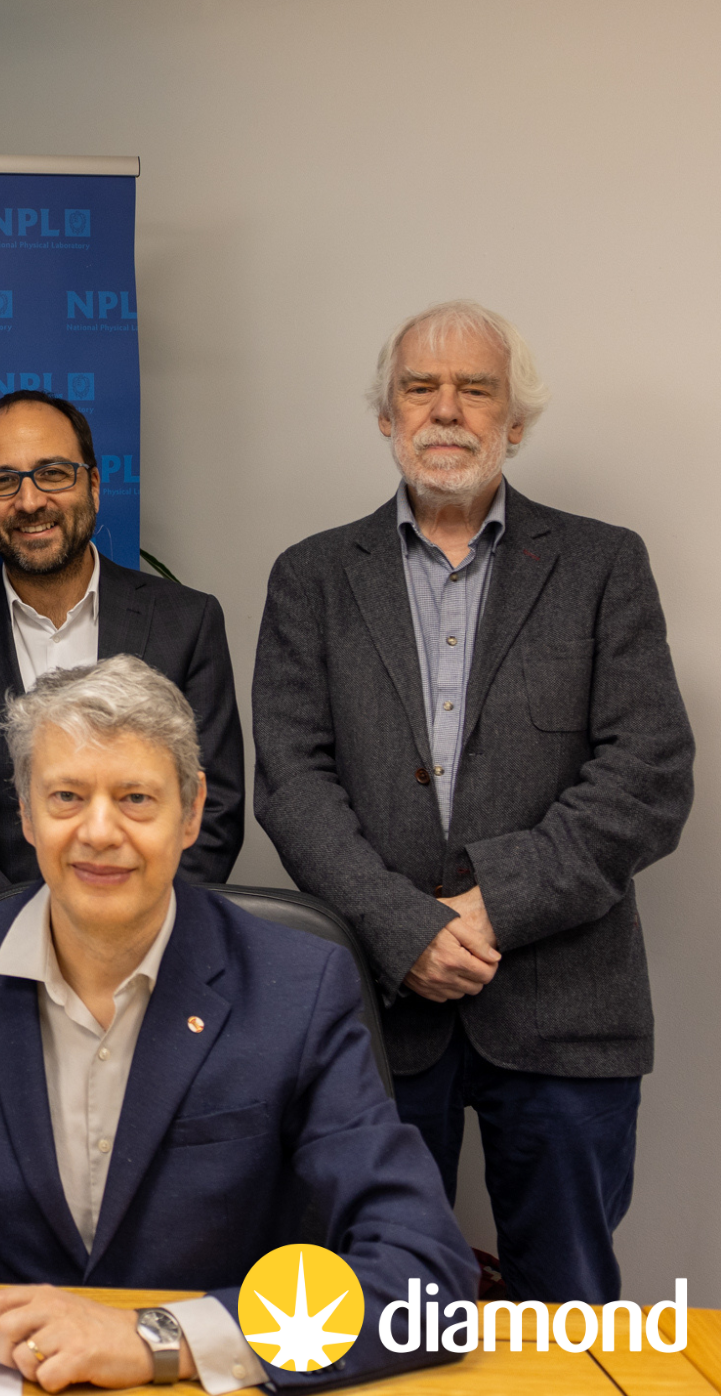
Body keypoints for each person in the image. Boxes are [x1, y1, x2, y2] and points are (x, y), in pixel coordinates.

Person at [0, 656, 475, 1392]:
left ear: (190, 814)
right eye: (66, 796)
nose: (99, 831)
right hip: (0, 1374)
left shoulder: (298, 989)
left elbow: (424, 1274)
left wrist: (161, 1337)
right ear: (25, 812)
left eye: (135, 798)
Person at [253, 300, 693, 1303]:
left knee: (565, 1308)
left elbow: (649, 773)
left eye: (474, 387)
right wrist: (402, 926)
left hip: (564, 1005)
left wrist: (489, 904)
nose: (444, 408)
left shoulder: (601, 564)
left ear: (514, 421)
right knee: (370, 1304)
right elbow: (292, 781)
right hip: (376, 1004)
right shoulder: (311, 578)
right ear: (384, 416)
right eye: (419, 386)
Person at [0, 390, 242, 918]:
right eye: (2, 481)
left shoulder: (187, 622)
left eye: (52, 473)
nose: (29, 502)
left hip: (151, 941)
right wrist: (27, 931)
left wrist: (129, 927)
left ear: (93, 484)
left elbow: (214, 806)